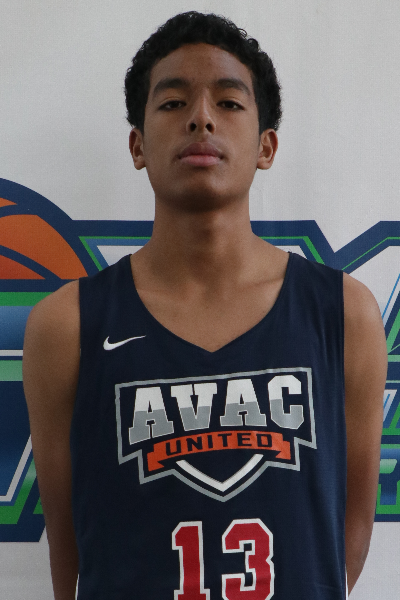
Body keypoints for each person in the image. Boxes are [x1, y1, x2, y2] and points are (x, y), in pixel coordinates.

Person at [23, 11, 387, 600]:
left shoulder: (344, 313)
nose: (201, 117)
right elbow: (70, 545)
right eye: (173, 103)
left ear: (266, 146)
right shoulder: (67, 324)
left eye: (229, 103)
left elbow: (347, 533)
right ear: (138, 145)